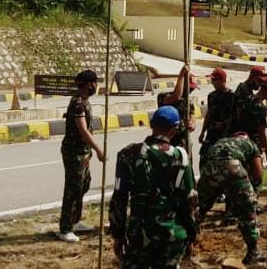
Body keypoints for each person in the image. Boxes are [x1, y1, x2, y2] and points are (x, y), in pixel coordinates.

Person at [110, 106, 198, 268]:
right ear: (174, 130)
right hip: (172, 234)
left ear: (151, 125)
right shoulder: (181, 156)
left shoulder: (127, 154)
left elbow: (119, 199)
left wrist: (118, 235)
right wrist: (191, 234)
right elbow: (190, 200)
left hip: (139, 234)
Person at [198, 133, 266, 265]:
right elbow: (258, 173)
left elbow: (209, 164)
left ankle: (185, 245)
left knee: (199, 207)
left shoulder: (221, 141)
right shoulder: (250, 144)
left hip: (209, 169)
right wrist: (254, 191)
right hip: (232, 167)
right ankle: (253, 252)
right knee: (247, 208)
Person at [58, 69, 105, 243]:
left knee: (84, 185)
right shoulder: (78, 103)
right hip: (74, 153)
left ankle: (75, 220)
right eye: (94, 83)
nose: (96, 86)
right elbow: (83, 131)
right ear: (88, 84)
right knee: (72, 189)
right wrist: (99, 150)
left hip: (83, 153)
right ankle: (65, 228)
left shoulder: (84, 101)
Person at [235, 75, 267, 167]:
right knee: (254, 177)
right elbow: (261, 132)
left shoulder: (248, 99)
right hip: (251, 147)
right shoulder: (260, 107)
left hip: (239, 141)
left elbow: (254, 122)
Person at [198, 67, 236, 169]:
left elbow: (236, 116)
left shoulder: (232, 96)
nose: (213, 83)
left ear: (222, 80)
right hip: (211, 133)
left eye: (215, 80)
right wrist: (203, 132)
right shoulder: (212, 96)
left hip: (225, 135)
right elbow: (209, 114)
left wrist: (224, 124)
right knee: (205, 158)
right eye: (212, 80)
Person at [157, 64, 198, 150]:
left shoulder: (188, 103)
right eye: (189, 88)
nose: (190, 91)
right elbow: (176, 96)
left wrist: (191, 125)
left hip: (182, 144)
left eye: (192, 89)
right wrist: (181, 75)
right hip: (167, 142)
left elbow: (193, 120)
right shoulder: (164, 97)